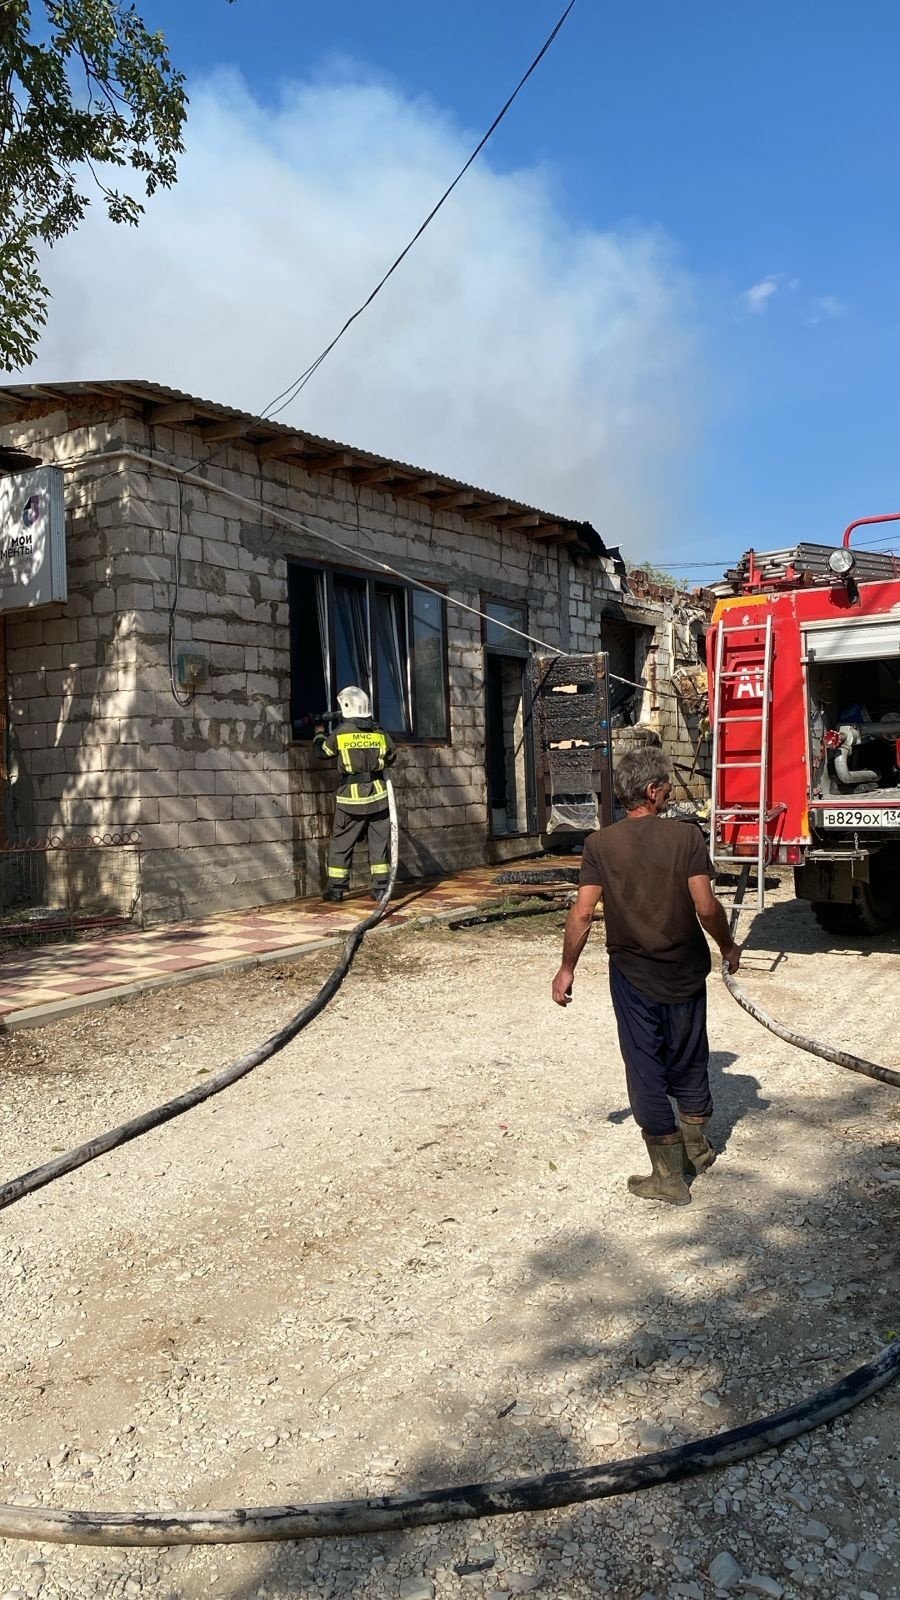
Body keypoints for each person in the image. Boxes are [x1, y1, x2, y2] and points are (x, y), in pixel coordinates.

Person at [551, 746, 741, 1206]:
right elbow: (706, 906)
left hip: (633, 975)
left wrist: (566, 969)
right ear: (652, 791)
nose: (671, 792)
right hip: (686, 971)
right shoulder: (687, 838)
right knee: (691, 1055)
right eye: (668, 786)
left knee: (645, 1067)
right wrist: (727, 946)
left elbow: (581, 913)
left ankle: (667, 1176)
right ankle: (697, 1148)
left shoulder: (601, 844)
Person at [314, 686, 396, 903]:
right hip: (379, 797)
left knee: (341, 843)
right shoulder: (379, 732)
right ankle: (380, 889)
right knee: (379, 844)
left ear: (347, 707)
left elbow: (322, 752)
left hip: (350, 799)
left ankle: (336, 890)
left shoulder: (341, 733)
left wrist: (319, 733)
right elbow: (392, 756)